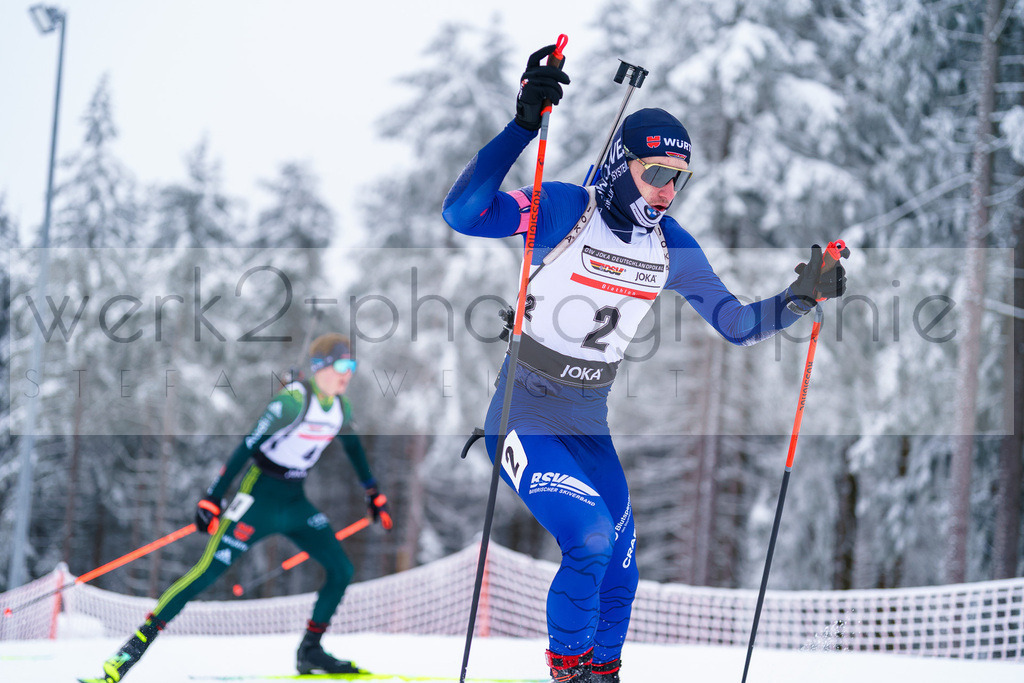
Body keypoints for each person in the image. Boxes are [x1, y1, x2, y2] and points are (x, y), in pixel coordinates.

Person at [441, 46, 846, 683]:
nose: (666, 190)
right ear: (620, 165)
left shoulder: (671, 247)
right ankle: (567, 671)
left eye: (678, 178)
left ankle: (603, 672)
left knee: (622, 570)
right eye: (655, 171)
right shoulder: (566, 210)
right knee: (590, 541)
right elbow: (463, 215)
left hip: (587, 423)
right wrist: (523, 123)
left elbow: (736, 325)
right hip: (523, 413)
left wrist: (800, 298)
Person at [80, 333, 392, 683]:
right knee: (205, 574)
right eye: (343, 365)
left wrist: (373, 493)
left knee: (341, 569)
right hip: (258, 497)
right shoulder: (291, 402)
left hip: (295, 501)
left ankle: (310, 650)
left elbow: (353, 448)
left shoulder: (340, 407)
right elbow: (247, 446)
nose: (349, 373)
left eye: (353, 365)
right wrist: (212, 497)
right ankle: (130, 652)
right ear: (320, 367)